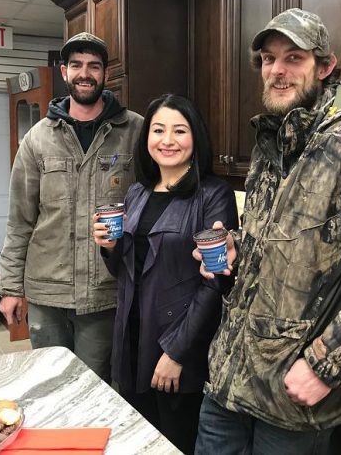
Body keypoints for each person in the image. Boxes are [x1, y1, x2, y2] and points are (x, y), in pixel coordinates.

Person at [194, 8, 341, 454]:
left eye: (294, 57)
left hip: (290, 404)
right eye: (267, 58)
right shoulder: (271, 143)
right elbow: (284, 244)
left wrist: (323, 367)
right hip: (229, 380)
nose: (277, 70)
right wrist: (236, 247)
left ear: (325, 66)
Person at [93, 94, 238, 454]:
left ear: (196, 138)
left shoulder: (213, 194)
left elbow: (218, 281)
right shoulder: (138, 192)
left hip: (177, 346)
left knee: (174, 442)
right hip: (131, 341)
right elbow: (123, 271)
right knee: (137, 442)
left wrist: (177, 353)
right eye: (158, 130)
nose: (167, 140)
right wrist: (109, 247)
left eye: (179, 131)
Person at [0, 32, 143, 382]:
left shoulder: (135, 130)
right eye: (76, 65)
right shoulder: (38, 138)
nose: (84, 73)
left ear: (105, 74)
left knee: (95, 386)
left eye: (94, 66)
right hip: (47, 290)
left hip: (105, 291)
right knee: (49, 383)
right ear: (64, 72)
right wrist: (10, 287)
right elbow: (20, 220)